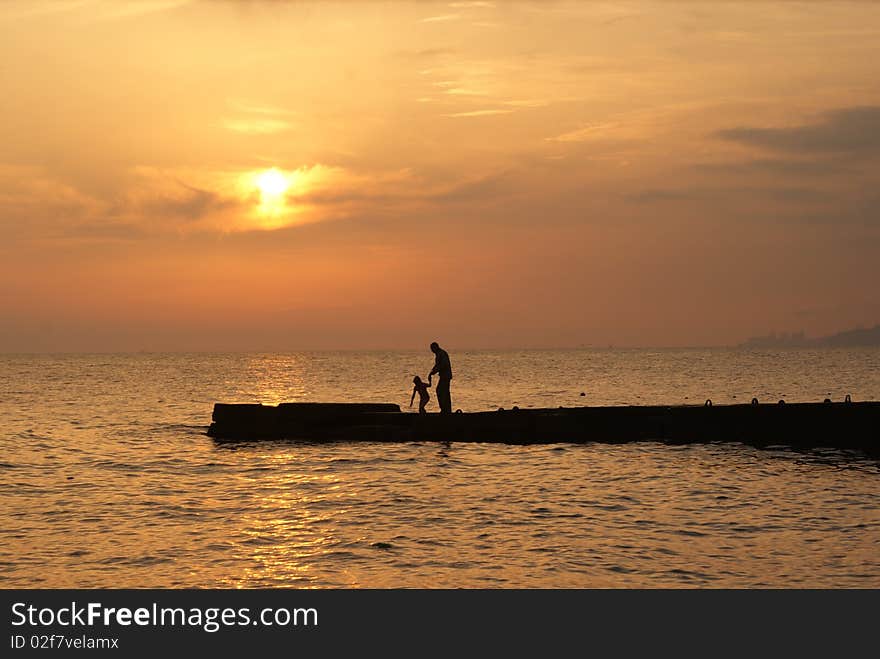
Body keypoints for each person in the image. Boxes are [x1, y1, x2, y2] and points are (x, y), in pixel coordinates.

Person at [429, 342, 453, 414]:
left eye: (432, 349)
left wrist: (434, 371)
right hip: (444, 376)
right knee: (444, 392)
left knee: (440, 391)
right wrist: (431, 372)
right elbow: (437, 365)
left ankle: (445, 409)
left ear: (435, 347)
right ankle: (446, 409)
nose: (432, 351)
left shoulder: (441, 354)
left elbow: (442, 365)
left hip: (446, 376)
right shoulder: (439, 354)